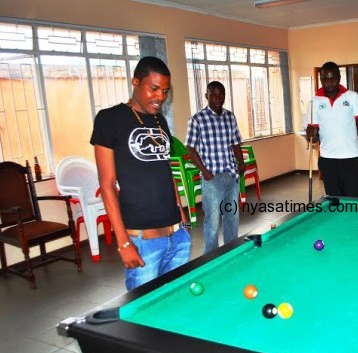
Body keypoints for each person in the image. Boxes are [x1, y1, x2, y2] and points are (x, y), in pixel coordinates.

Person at [91, 56, 191, 291]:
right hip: (142, 239)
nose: (161, 97)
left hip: (177, 235)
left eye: (165, 91)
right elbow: (107, 185)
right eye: (154, 88)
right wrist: (123, 242)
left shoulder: (160, 121)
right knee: (143, 315)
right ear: (135, 82)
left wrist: (182, 217)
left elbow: (166, 171)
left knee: (174, 302)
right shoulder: (109, 119)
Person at [185, 81, 245, 254]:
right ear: (206, 96)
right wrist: (206, 172)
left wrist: (240, 163)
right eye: (214, 95)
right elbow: (190, 148)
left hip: (231, 175)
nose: (218, 99)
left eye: (221, 95)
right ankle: (210, 257)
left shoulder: (230, 116)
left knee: (231, 217)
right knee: (212, 220)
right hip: (212, 177)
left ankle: (232, 251)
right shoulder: (197, 119)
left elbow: (235, 142)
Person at [305, 61, 358, 197]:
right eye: (325, 79)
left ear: (339, 78)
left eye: (333, 79)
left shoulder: (352, 97)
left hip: (352, 160)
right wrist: (311, 135)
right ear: (321, 79)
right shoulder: (314, 102)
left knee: (355, 203)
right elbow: (314, 138)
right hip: (328, 161)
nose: (329, 83)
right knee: (336, 204)